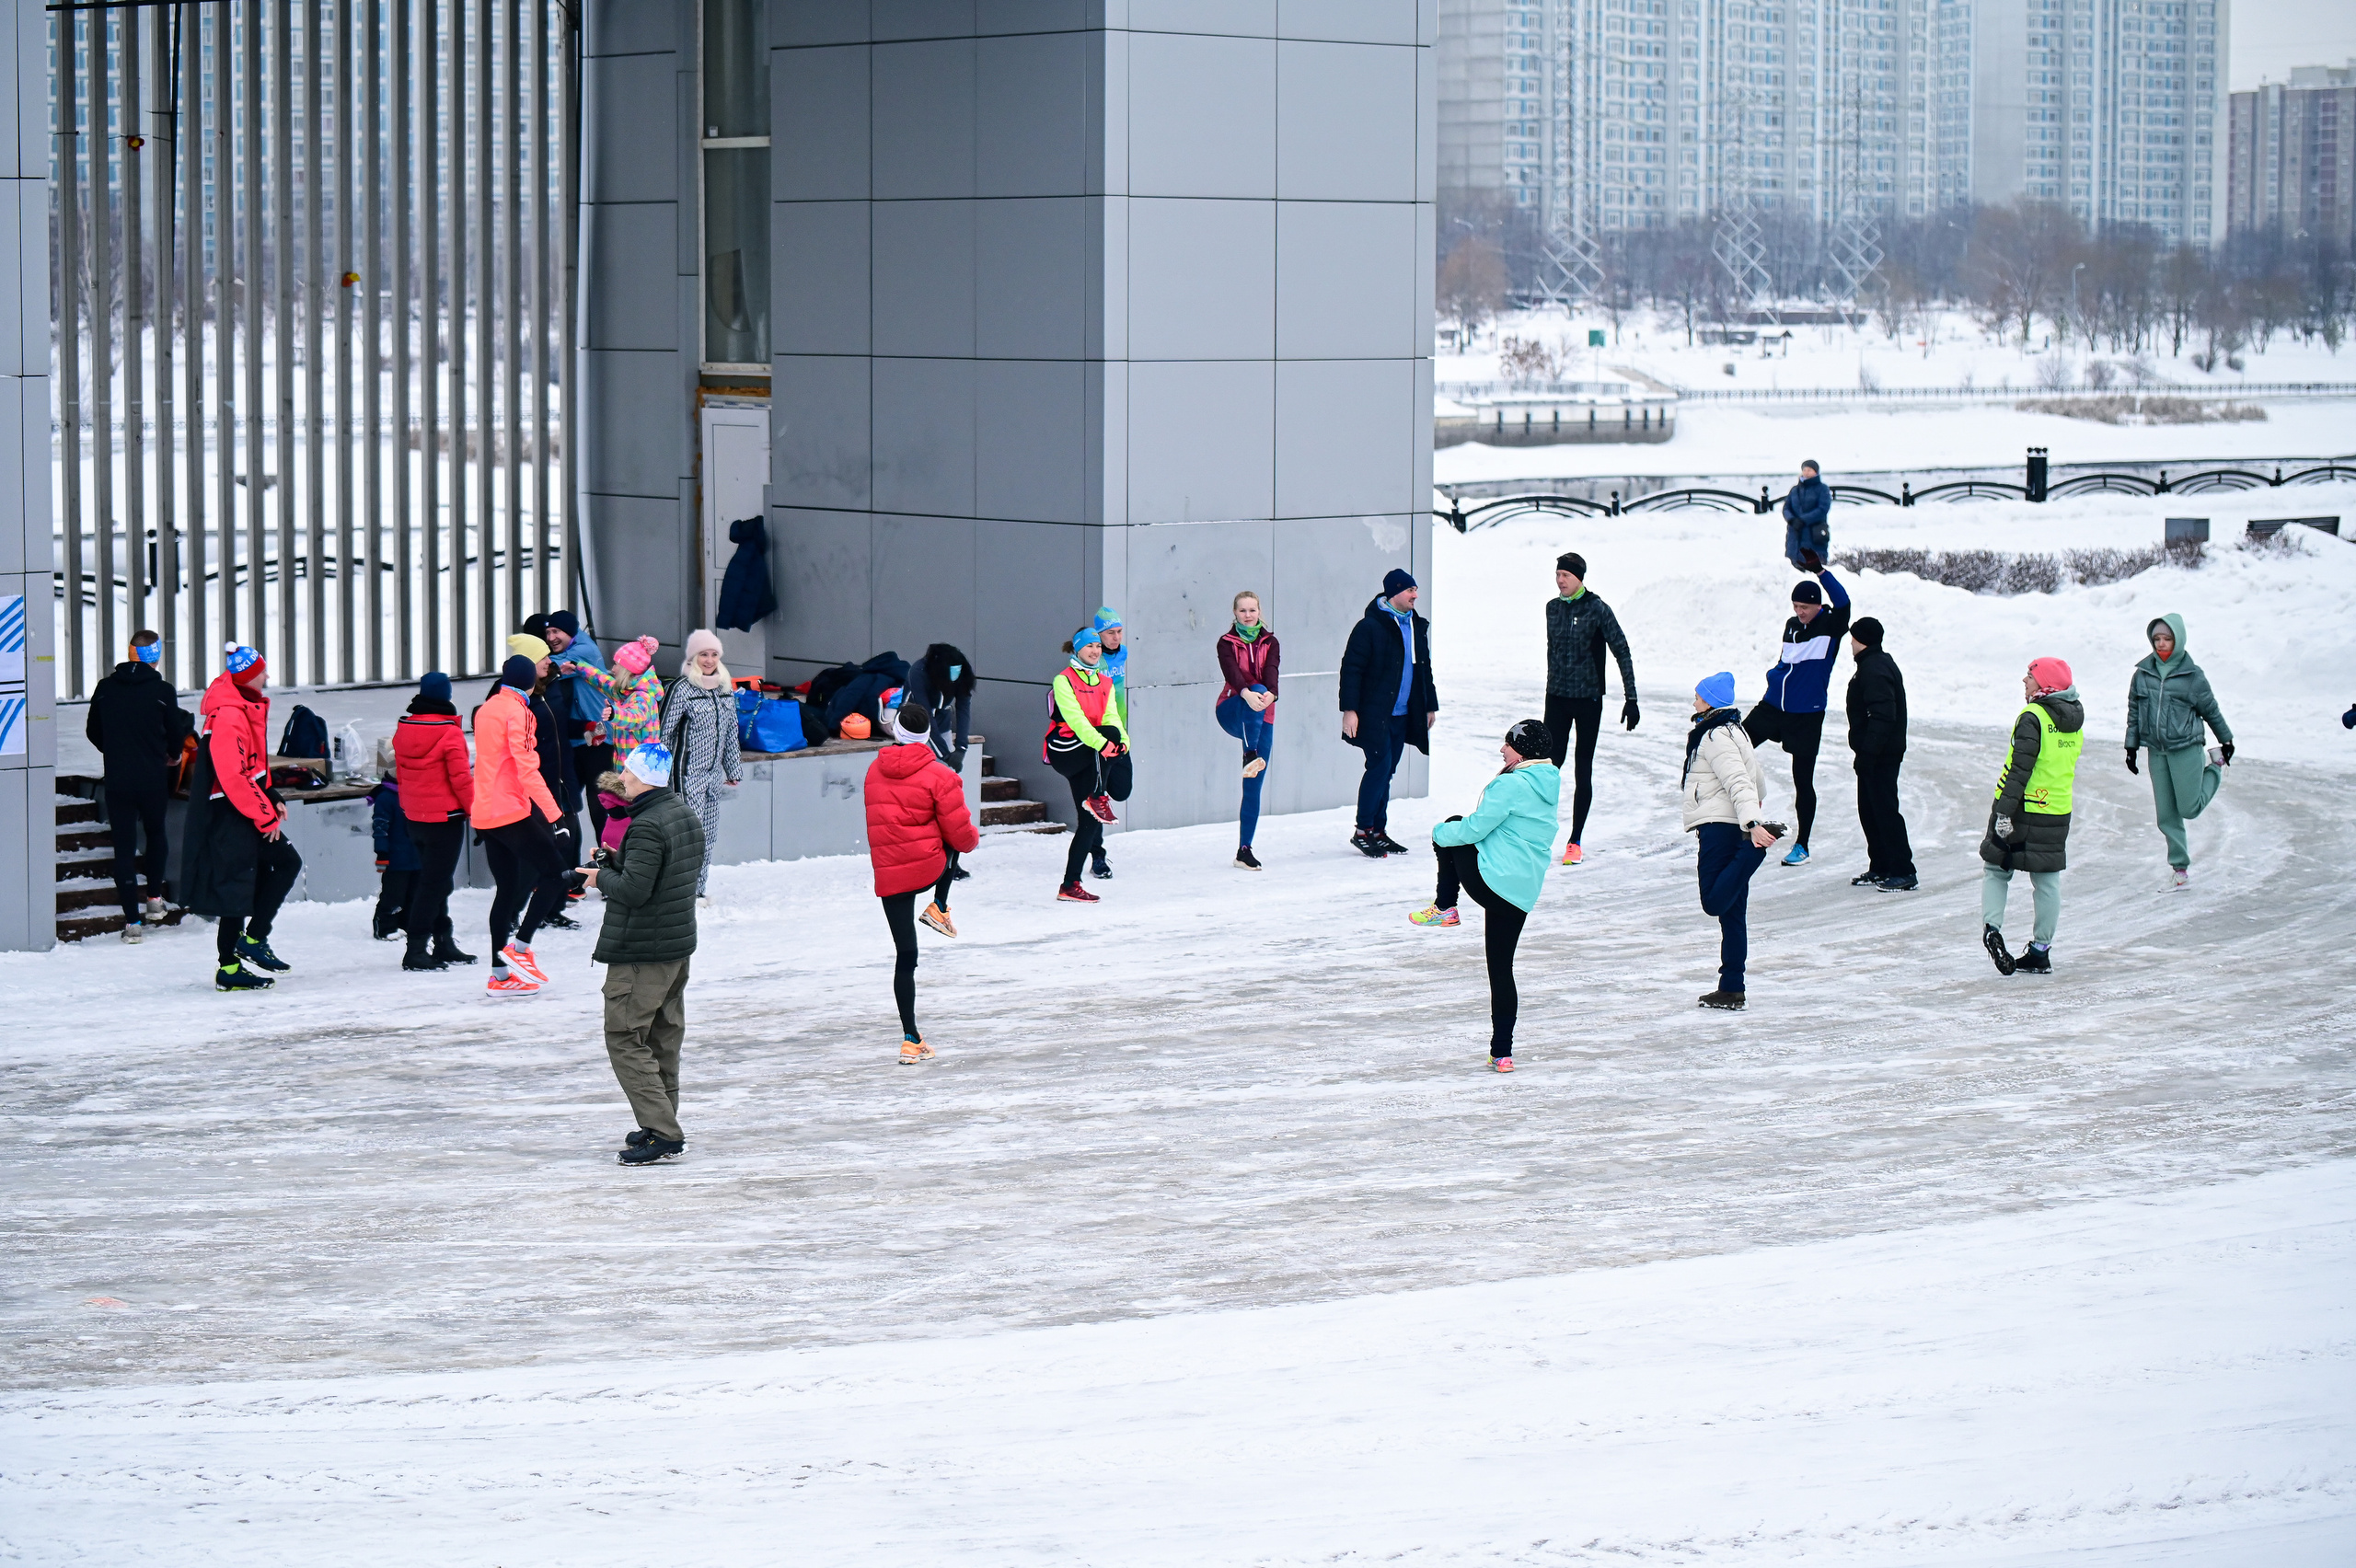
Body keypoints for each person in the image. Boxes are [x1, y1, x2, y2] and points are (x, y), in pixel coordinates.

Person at [1409, 719, 1561, 1072]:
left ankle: (1445, 906)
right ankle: (1502, 1053)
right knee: (1501, 969)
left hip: (1492, 881)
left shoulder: (1511, 784)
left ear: (1521, 749)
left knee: (1452, 825)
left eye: (1507, 743)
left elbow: (1476, 827)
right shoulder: (1548, 781)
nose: (1502, 748)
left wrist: (1437, 833)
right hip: (1521, 892)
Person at [582, 742, 704, 1166]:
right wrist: (615, 862)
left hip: (643, 949)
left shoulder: (649, 824)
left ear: (642, 777)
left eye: (629, 773)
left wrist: (601, 878)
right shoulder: (682, 813)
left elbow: (635, 891)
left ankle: (665, 1132)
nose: (623, 779)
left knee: (625, 1036)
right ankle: (659, 1121)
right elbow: (661, 875)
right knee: (661, 1037)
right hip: (675, 945)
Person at [180, 642, 302, 991]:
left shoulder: (241, 705)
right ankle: (247, 946)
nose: (268, 676)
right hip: (230, 811)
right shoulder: (231, 713)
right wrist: (265, 816)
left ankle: (233, 963)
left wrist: (272, 795)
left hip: (239, 807)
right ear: (249, 677)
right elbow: (233, 776)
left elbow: (253, 767)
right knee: (278, 866)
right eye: (263, 670)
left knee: (240, 882)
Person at [865, 700, 982, 1062]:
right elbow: (961, 837)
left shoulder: (874, 769)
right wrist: (970, 841)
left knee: (906, 956)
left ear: (895, 731)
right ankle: (940, 905)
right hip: (929, 869)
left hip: (890, 874)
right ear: (927, 734)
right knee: (955, 839)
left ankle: (910, 1037)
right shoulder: (941, 774)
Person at [1683, 672, 1787, 1010]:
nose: (1694, 701)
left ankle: (1754, 850)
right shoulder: (1734, 730)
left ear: (1710, 701)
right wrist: (1749, 814)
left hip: (1720, 828)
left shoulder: (1715, 736)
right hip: (1730, 824)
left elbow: (1740, 781)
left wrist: (1752, 826)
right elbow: (1758, 782)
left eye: (1698, 696)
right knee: (1732, 916)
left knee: (1714, 902)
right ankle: (1731, 987)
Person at [472, 653, 572, 995]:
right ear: (530, 681)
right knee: (558, 874)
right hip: (510, 811)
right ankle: (521, 948)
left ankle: (500, 976)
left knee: (507, 890)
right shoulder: (520, 712)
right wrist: (555, 814)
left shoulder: (487, 709)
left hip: (485, 813)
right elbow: (527, 768)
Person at [1742, 565, 1851, 867]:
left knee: (1802, 780)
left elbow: (1843, 603)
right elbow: (1787, 661)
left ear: (1818, 605)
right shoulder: (1792, 625)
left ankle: (1802, 845)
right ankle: (1741, 820)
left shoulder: (1831, 625)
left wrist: (1821, 572)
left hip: (1806, 715)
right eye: (1796, 606)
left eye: (1804, 607)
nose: (1799, 612)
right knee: (1734, 747)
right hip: (1773, 707)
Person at [1982, 657, 2085, 974]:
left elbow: (2019, 770)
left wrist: (2003, 811)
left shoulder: (2033, 716)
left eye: (2030, 676)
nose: (2024, 681)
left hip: (2024, 806)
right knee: (2047, 880)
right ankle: (2041, 951)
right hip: (2056, 808)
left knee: (1997, 868)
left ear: (2045, 684)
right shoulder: (2074, 717)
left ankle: (1992, 929)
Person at [84, 629, 187, 940]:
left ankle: (132, 923)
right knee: (156, 834)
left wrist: (114, 752)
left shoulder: (105, 688)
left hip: (117, 780)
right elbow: (175, 731)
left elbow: (93, 731)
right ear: (155, 657)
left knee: (124, 848)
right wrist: (170, 756)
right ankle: (154, 900)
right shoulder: (163, 690)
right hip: (153, 778)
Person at [2125, 613, 2233, 891]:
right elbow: (2135, 712)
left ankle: (2215, 767)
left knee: (2190, 808)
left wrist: (2226, 740)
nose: (2161, 644)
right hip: (2157, 750)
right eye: (2157, 639)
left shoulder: (2192, 676)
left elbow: (2211, 710)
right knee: (2166, 815)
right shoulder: (2143, 673)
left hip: (2186, 747)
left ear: (2179, 639)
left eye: (2167, 639)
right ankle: (2180, 867)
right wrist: (2131, 746)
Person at [1542, 552, 1637, 866]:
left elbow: (1621, 650)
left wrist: (1631, 698)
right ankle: (1539, 835)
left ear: (1579, 577)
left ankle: (1575, 840)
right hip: (1556, 698)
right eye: (1557, 574)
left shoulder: (1597, 609)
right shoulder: (1552, 609)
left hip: (1587, 700)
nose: (1560, 580)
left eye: (1565, 575)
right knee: (1546, 770)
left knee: (1583, 769)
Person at [1339, 568, 1439, 859]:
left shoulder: (1415, 626)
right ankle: (1363, 830)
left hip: (1403, 713)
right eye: (1410, 591)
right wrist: (1350, 710)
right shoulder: (1370, 627)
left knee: (1388, 772)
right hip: (1375, 714)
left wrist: (1429, 705)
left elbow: (1424, 670)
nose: (1415, 595)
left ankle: (1378, 831)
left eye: (1415, 590)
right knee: (1379, 769)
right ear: (1395, 592)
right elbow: (1352, 670)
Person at [392, 671, 477, 972]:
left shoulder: (404, 726)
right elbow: (461, 781)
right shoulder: (449, 732)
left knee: (435, 881)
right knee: (434, 884)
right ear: (447, 695)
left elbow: (401, 774)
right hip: (445, 820)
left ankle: (443, 942)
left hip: (415, 818)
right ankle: (415, 948)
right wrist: (475, 812)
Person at [1044, 624, 1132, 904]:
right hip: (1066, 748)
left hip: (1092, 753)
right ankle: (1097, 795)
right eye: (1089, 646)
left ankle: (1070, 885)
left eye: (1097, 646)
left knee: (1090, 821)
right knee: (1107, 736)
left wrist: (1123, 744)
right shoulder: (1064, 680)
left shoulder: (1104, 682)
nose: (1095, 651)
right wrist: (1106, 744)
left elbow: (1112, 717)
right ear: (1077, 648)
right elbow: (1077, 722)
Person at [659, 629, 743, 903]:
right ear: (693, 657)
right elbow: (663, 732)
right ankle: (678, 891)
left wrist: (733, 770)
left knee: (708, 832)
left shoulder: (725, 689)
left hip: (712, 776)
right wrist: (659, 774)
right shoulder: (681, 689)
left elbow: (731, 732)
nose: (709, 660)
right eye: (703, 654)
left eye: (714, 654)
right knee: (687, 835)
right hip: (685, 774)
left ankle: (697, 889)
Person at [905, 642, 976, 922]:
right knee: (924, 795)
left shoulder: (961, 677)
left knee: (949, 797)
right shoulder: (919, 672)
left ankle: (949, 861)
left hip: (941, 724)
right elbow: (922, 715)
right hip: (913, 726)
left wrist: (961, 749)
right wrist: (946, 755)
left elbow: (964, 708)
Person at [1844, 617, 1916, 891]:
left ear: (1862, 639)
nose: (1850, 642)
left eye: (1853, 637)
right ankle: (1881, 866)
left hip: (1880, 756)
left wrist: (1869, 753)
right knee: (1870, 810)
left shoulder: (1874, 668)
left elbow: (1884, 716)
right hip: (1873, 754)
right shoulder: (1871, 664)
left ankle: (1903, 870)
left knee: (1884, 811)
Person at [1215, 590, 1280, 870]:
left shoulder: (1271, 641)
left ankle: (1244, 850)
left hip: (1262, 711)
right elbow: (1232, 673)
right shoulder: (1226, 642)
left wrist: (1271, 695)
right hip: (1233, 707)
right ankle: (1249, 753)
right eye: (1242, 611)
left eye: (1252, 610)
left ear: (1259, 612)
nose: (1248, 615)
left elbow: (1272, 673)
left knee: (1253, 786)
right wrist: (1246, 692)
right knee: (1255, 688)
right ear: (1235, 613)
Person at [542, 610, 613, 840]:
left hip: (599, 729)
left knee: (598, 795)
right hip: (579, 733)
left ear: (571, 632)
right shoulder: (570, 647)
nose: (551, 637)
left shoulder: (584, 650)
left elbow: (550, 669)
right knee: (571, 796)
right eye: (547, 632)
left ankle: (607, 851)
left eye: (556, 632)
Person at [1087, 607, 1128, 879]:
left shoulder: (1123, 652)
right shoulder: (1092, 659)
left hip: (1120, 732)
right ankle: (1097, 856)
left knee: (1122, 790)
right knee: (1097, 797)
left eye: (1118, 632)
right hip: (1096, 738)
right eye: (1110, 633)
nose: (1115, 638)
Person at [367, 772, 421, 940]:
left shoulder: (416, 793)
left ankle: (407, 923)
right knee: (393, 894)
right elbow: (380, 827)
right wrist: (382, 853)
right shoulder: (386, 797)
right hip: (396, 857)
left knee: (414, 892)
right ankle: (385, 926)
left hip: (417, 855)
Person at [1782, 459, 1831, 570]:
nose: (1806, 472)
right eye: (1804, 469)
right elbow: (1786, 507)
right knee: (1793, 565)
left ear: (1816, 472)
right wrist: (1792, 520)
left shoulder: (1822, 489)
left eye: (1809, 470)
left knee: (1813, 564)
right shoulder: (1795, 490)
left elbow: (1822, 509)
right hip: (1794, 532)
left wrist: (1803, 520)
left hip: (1814, 532)